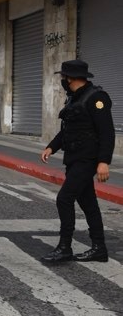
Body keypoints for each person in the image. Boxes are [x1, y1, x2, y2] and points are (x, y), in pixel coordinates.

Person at [40, 59, 115, 263]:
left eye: (64, 77)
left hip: (87, 160)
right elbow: (67, 130)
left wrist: (103, 162)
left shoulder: (96, 98)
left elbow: (107, 132)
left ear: (71, 78)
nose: (62, 80)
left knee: (64, 198)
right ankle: (99, 248)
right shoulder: (74, 98)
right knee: (88, 203)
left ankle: (64, 247)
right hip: (74, 158)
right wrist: (51, 147)